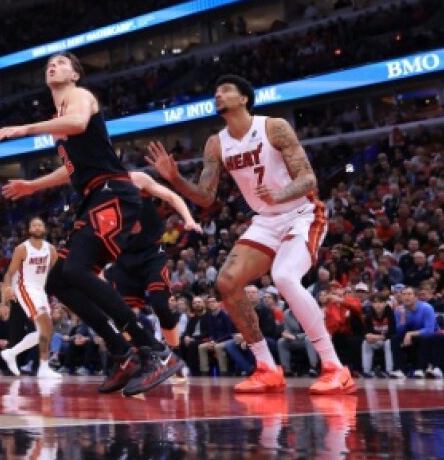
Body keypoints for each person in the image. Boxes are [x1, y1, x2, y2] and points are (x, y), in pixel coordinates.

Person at [146, 74, 355, 395]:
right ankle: (267, 367)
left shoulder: (274, 127)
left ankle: (335, 368)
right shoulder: (217, 143)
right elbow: (205, 197)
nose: (218, 95)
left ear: (244, 98)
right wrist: (174, 179)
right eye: (215, 91)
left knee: (284, 276)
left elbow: (309, 179)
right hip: (266, 219)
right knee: (226, 283)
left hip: (302, 213)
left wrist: (279, 195)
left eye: (226, 90)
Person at [0, 52, 183, 398]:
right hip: (95, 196)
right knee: (59, 280)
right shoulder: (58, 120)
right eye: (49, 64)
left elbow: (79, 123)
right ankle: (121, 352)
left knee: (77, 272)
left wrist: (25, 128)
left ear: (76, 74)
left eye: (62, 63)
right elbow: (72, 169)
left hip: (114, 193)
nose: (54, 66)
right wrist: (33, 185)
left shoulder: (79, 98)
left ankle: (154, 350)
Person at [104, 171, 202, 349]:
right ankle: (136, 356)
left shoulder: (136, 179)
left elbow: (172, 197)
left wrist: (188, 219)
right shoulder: (95, 193)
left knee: (160, 305)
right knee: (123, 315)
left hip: (151, 252)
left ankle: (174, 352)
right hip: (124, 257)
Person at [0, 217, 61, 379]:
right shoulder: (22, 249)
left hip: (40, 290)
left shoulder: (51, 250)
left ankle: (12, 353)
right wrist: (7, 290)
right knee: (45, 324)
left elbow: (56, 274)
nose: (38, 227)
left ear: (44, 229)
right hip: (25, 288)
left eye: (40, 225)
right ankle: (43, 367)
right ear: (29, 230)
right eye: (34, 225)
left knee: (46, 330)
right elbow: (10, 273)